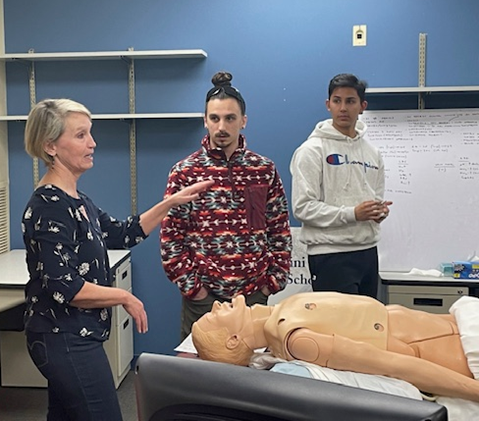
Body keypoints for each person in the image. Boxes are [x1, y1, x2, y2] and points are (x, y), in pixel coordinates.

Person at [21, 98, 213, 421]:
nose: (93, 143)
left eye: (90, 133)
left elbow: (124, 233)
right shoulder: (50, 205)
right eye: (81, 135)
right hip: (63, 338)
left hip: (73, 336)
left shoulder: (77, 200)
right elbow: (64, 286)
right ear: (50, 146)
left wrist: (171, 203)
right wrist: (123, 296)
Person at [161, 71, 292, 341]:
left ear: (243, 121)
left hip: (254, 296)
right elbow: (171, 238)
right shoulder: (185, 172)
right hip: (203, 300)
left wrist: (272, 283)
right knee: (198, 379)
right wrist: (195, 290)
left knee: (250, 376)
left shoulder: (263, 169)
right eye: (215, 118)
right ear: (205, 121)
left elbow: (279, 229)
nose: (221, 127)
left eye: (230, 118)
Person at [192, 292, 479, 403]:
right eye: (214, 315)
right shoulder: (296, 339)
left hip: (456, 323)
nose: (217, 304)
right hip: (455, 349)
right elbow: (395, 366)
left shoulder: (282, 312)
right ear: (232, 340)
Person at [290, 73, 392, 298]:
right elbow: (303, 208)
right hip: (330, 255)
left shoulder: (372, 153)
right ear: (328, 105)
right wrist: (353, 214)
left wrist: (378, 211)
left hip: (367, 252)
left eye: (350, 101)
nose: (343, 108)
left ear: (362, 106)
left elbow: (373, 198)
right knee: (336, 331)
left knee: (366, 328)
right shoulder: (311, 150)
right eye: (337, 101)